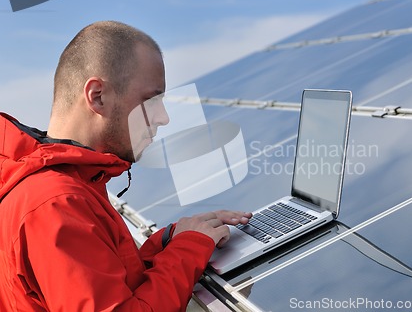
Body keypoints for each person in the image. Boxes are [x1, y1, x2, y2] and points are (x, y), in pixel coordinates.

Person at [0, 21, 252, 311]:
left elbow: (112, 283)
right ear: (97, 96)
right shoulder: (55, 205)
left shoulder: (69, 185)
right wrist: (190, 248)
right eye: (151, 100)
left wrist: (173, 240)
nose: (163, 117)